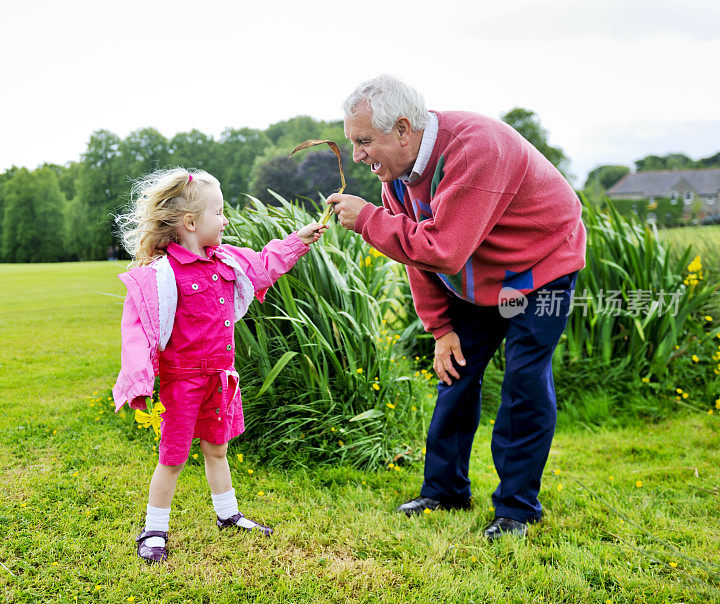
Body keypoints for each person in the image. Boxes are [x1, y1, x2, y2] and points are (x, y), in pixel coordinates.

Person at [327, 75, 586, 541]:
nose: (358, 155)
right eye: (354, 143)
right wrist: (441, 328)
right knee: (455, 372)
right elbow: (416, 254)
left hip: (541, 267)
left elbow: (441, 250)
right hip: (479, 277)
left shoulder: (478, 149)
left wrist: (367, 220)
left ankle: (518, 510)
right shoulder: (400, 178)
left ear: (403, 129)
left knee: (525, 380)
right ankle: (444, 491)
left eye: (364, 142)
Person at [112, 168, 326, 563]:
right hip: (183, 384)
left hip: (220, 381)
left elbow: (264, 265)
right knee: (172, 458)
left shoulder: (226, 261)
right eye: (219, 212)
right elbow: (138, 330)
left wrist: (297, 242)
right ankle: (154, 529)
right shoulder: (162, 276)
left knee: (218, 450)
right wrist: (138, 381)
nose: (225, 220)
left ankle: (228, 516)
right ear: (191, 223)